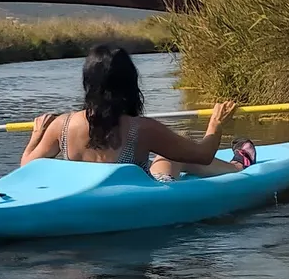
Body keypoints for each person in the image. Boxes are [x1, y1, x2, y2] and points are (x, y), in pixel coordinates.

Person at [20, 43, 256, 178]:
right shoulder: (141, 129)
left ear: (88, 82)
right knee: (170, 155)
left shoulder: (61, 125)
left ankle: (236, 164)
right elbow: (202, 155)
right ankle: (238, 166)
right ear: (130, 83)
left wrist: (37, 135)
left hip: (84, 200)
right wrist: (216, 123)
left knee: (169, 155)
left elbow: (27, 167)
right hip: (134, 202)